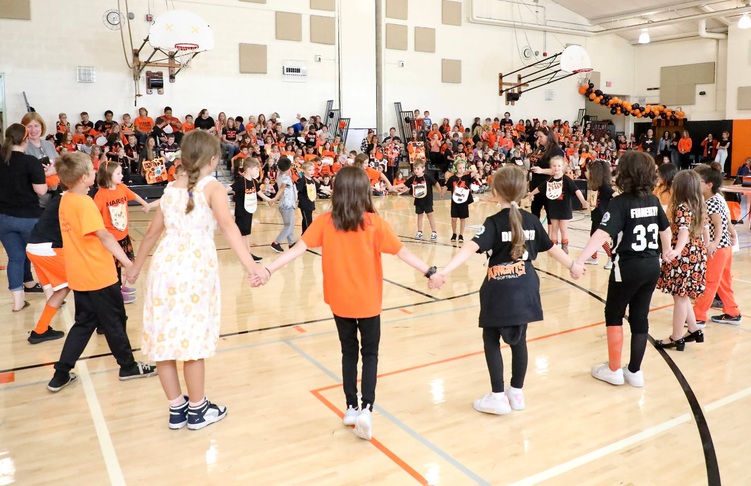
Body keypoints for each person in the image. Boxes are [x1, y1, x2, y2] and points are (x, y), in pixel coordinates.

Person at [256, 166, 432, 440]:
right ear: (364, 191)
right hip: (368, 301)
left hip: (340, 301)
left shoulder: (326, 221)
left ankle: (350, 406)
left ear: (337, 192)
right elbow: (404, 253)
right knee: (369, 354)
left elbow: (297, 250)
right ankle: (367, 408)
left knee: (348, 352)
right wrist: (430, 272)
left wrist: (268, 270)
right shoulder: (375, 223)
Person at [125, 130, 266, 429]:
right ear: (213, 159)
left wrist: (135, 268)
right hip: (195, 269)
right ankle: (198, 409)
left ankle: (177, 409)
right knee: (192, 344)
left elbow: (151, 234)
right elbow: (229, 228)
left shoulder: (170, 189)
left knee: (164, 342)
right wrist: (250, 266)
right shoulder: (212, 187)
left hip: (164, 268)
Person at [429, 166, 585, 414]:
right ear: (524, 192)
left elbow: (469, 248)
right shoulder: (532, 220)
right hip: (526, 288)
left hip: (499, 290)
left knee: (491, 340)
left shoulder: (493, 223)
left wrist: (444, 272)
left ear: (496, 192)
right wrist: (573, 265)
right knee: (519, 340)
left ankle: (498, 396)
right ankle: (517, 392)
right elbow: (552, 247)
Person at [47, 152, 157, 392]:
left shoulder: (66, 199)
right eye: (92, 170)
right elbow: (104, 236)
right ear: (86, 176)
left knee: (85, 323)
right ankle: (127, 366)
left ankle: (61, 372)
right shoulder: (84, 203)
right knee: (116, 320)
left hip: (80, 275)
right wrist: (128, 264)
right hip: (98, 273)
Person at [576, 151, 671, 387]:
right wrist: (668, 252)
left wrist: (580, 260)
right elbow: (665, 230)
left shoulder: (620, 203)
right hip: (652, 265)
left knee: (614, 314)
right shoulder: (653, 200)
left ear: (625, 173)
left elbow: (602, 233)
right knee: (640, 317)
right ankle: (635, 372)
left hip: (627, 267)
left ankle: (614, 369)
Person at [655, 170, 708, 351]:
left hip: (684, 256)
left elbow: (683, 231)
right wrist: (706, 247)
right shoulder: (699, 204)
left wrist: (676, 250)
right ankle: (693, 329)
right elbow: (705, 229)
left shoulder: (682, 207)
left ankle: (676, 337)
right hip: (697, 254)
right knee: (683, 295)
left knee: (679, 297)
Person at [0, 124, 49, 311]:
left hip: (3, 218)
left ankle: (18, 303)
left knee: (15, 258)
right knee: (40, 258)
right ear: (26, 139)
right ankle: (52, 296)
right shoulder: (30, 161)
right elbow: (41, 190)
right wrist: (47, 175)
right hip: (27, 217)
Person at [93, 161, 151, 304]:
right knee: (113, 268)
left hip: (123, 235)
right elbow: (93, 213)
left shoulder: (122, 188)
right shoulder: (101, 195)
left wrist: (145, 204)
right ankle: (116, 291)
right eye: (118, 173)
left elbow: (134, 195)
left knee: (121, 265)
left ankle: (120, 287)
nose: (121, 176)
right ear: (108, 176)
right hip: (111, 240)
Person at [693, 163, 741, 326]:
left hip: (718, 248)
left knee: (710, 281)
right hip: (724, 246)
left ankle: (698, 316)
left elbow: (719, 224)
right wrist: (733, 235)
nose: (695, 184)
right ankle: (732, 312)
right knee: (722, 281)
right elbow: (727, 221)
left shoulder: (711, 201)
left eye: (698, 181)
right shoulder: (716, 198)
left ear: (708, 185)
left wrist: (713, 243)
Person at [25, 190, 68, 343]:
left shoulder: (59, 198)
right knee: (78, 284)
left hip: (34, 246)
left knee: (62, 288)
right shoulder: (70, 201)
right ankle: (99, 322)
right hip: (48, 248)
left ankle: (40, 330)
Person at [527, 156, 589, 253]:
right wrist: (531, 194)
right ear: (551, 167)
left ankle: (564, 247)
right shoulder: (549, 180)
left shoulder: (567, 179)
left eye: (559, 166)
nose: (556, 168)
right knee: (554, 229)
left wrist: (583, 201)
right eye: (554, 166)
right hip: (553, 208)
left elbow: (576, 190)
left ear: (562, 167)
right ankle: (554, 247)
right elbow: (539, 188)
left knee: (563, 229)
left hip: (564, 209)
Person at [393, 159, 444, 240]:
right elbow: (404, 184)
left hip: (427, 201)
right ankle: (419, 232)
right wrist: (392, 187)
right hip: (418, 201)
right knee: (419, 216)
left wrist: (441, 192)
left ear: (423, 168)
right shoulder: (413, 178)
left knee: (430, 215)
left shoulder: (427, 177)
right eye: (415, 169)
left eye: (418, 169)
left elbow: (436, 183)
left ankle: (434, 232)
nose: (416, 171)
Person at [231, 158, 270, 262]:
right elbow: (230, 188)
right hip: (241, 212)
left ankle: (247, 254)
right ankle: (246, 254)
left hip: (249, 211)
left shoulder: (253, 181)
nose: (258, 171)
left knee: (246, 234)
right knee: (243, 235)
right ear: (248, 169)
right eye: (256, 169)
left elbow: (259, 192)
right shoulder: (240, 181)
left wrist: (269, 199)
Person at [529, 127, 565, 223]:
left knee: (550, 214)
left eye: (541, 137)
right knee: (534, 212)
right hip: (536, 185)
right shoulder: (541, 149)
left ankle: (551, 236)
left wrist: (542, 171)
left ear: (548, 137)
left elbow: (558, 170)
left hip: (548, 186)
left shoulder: (555, 150)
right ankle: (536, 234)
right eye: (538, 137)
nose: (538, 139)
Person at [583, 160, 614, 269]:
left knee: (600, 238)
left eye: (587, 171)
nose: (586, 173)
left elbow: (614, 195)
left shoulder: (605, 187)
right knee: (593, 236)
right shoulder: (596, 186)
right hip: (596, 214)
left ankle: (611, 257)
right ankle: (594, 257)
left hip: (602, 216)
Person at [446, 160, 480, 243]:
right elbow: (446, 186)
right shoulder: (452, 178)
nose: (462, 169)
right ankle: (454, 233)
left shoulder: (467, 177)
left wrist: (468, 170)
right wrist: (442, 192)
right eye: (460, 168)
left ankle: (461, 234)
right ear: (456, 168)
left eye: (463, 167)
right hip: (455, 201)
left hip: (464, 201)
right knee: (454, 218)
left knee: (462, 219)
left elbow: (475, 171)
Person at [268, 156, 297, 252]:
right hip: (287, 205)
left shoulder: (279, 175)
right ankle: (276, 242)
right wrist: (274, 198)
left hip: (284, 204)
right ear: (289, 167)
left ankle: (292, 243)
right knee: (289, 225)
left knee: (289, 224)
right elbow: (282, 189)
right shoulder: (285, 178)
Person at [297, 161, 319, 234]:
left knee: (306, 219)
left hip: (310, 203)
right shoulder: (303, 180)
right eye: (310, 170)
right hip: (304, 204)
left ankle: (304, 234)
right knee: (308, 220)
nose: (312, 171)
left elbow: (319, 187)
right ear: (304, 170)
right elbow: (297, 190)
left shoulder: (312, 180)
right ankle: (308, 234)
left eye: (313, 170)